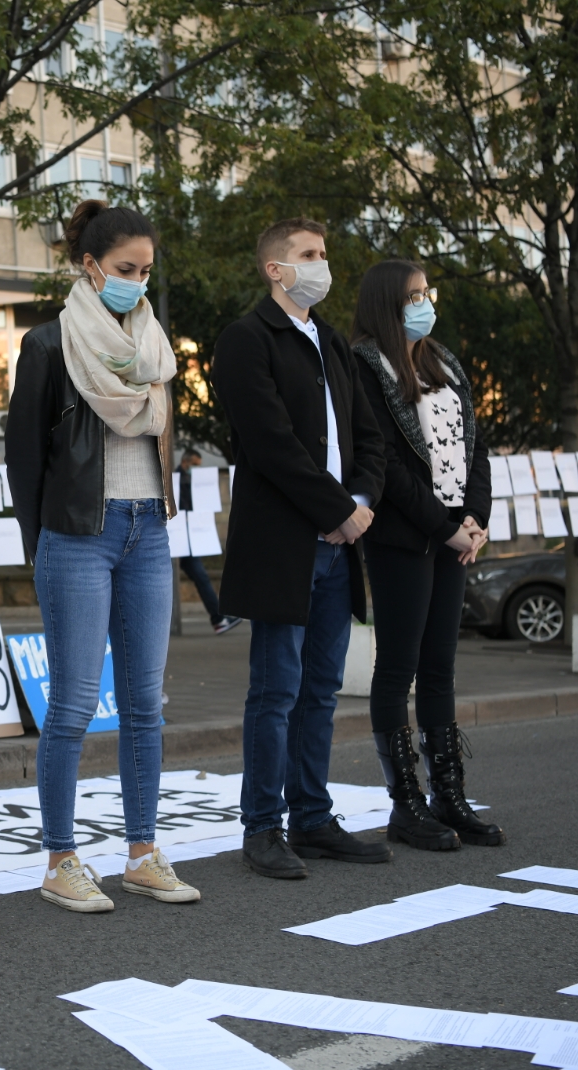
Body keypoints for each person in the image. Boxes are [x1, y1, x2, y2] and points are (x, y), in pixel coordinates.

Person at [6, 200, 201, 913]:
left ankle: (142, 853)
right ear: (91, 267)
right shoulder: (49, 345)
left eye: (146, 271)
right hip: (77, 535)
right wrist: (43, 545)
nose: (137, 282)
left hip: (148, 528)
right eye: (126, 268)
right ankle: (60, 859)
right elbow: (24, 458)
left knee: (146, 703)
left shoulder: (154, 346)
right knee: (74, 704)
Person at [210, 217, 389, 879]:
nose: (322, 264)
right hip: (285, 545)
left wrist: (359, 507)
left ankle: (312, 818)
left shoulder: (333, 342)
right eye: (309, 254)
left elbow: (369, 440)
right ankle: (263, 827)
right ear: (275, 269)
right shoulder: (246, 339)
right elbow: (270, 443)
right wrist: (337, 511)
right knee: (275, 691)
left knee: (321, 691)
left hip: (341, 546)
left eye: (324, 252)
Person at [350, 260, 503, 850]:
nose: (425, 303)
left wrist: (474, 519)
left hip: (453, 535)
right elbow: (386, 462)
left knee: (440, 665)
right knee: (398, 667)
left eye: (426, 293)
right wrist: (443, 527)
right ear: (387, 303)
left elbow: (475, 446)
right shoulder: (366, 365)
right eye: (413, 295)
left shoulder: (444, 361)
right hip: (403, 537)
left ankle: (450, 795)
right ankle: (406, 805)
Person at [177, 448, 241, 634]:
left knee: (200, 576)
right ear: (185, 462)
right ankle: (218, 618)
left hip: (188, 537)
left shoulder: (191, 480)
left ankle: (218, 618)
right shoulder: (178, 480)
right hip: (181, 535)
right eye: (195, 465)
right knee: (199, 577)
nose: (197, 469)